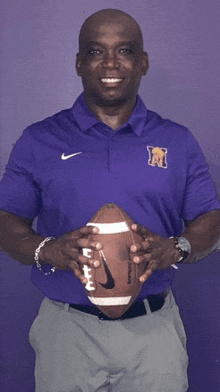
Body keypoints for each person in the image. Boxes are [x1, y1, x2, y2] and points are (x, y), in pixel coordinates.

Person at [0, 8, 220, 392]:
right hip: (66, 332)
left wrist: (176, 248)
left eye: (126, 50)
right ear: (79, 63)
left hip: (154, 332)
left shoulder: (178, 141)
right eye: (97, 51)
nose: (111, 63)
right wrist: (46, 249)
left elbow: (210, 219)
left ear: (143, 62)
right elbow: (6, 219)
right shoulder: (40, 139)